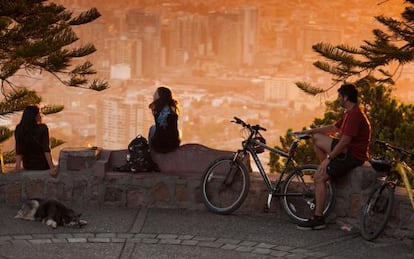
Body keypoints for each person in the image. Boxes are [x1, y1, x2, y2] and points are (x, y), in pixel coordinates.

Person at [295, 83, 371, 230]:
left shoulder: (355, 115)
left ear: (346, 97)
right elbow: (333, 128)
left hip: (352, 156)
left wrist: (328, 160)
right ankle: (326, 171)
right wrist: (309, 131)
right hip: (346, 152)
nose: (338, 99)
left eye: (339, 96)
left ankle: (318, 219)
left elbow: (344, 142)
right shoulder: (350, 113)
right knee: (316, 137)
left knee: (318, 178)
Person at [13, 105, 57, 177]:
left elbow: (19, 149)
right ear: (34, 116)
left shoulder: (19, 129)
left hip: (28, 165)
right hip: (42, 166)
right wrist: (52, 167)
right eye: (39, 114)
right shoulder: (43, 128)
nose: (40, 116)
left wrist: (17, 167)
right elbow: (46, 149)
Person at [148, 86, 181, 153]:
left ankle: (150, 150)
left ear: (160, 95)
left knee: (152, 128)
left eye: (156, 93)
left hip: (159, 144)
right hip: (173, 144)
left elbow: (160, 127)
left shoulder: (156, 107)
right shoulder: (173, 108)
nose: (153, 95)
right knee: (178, 130)